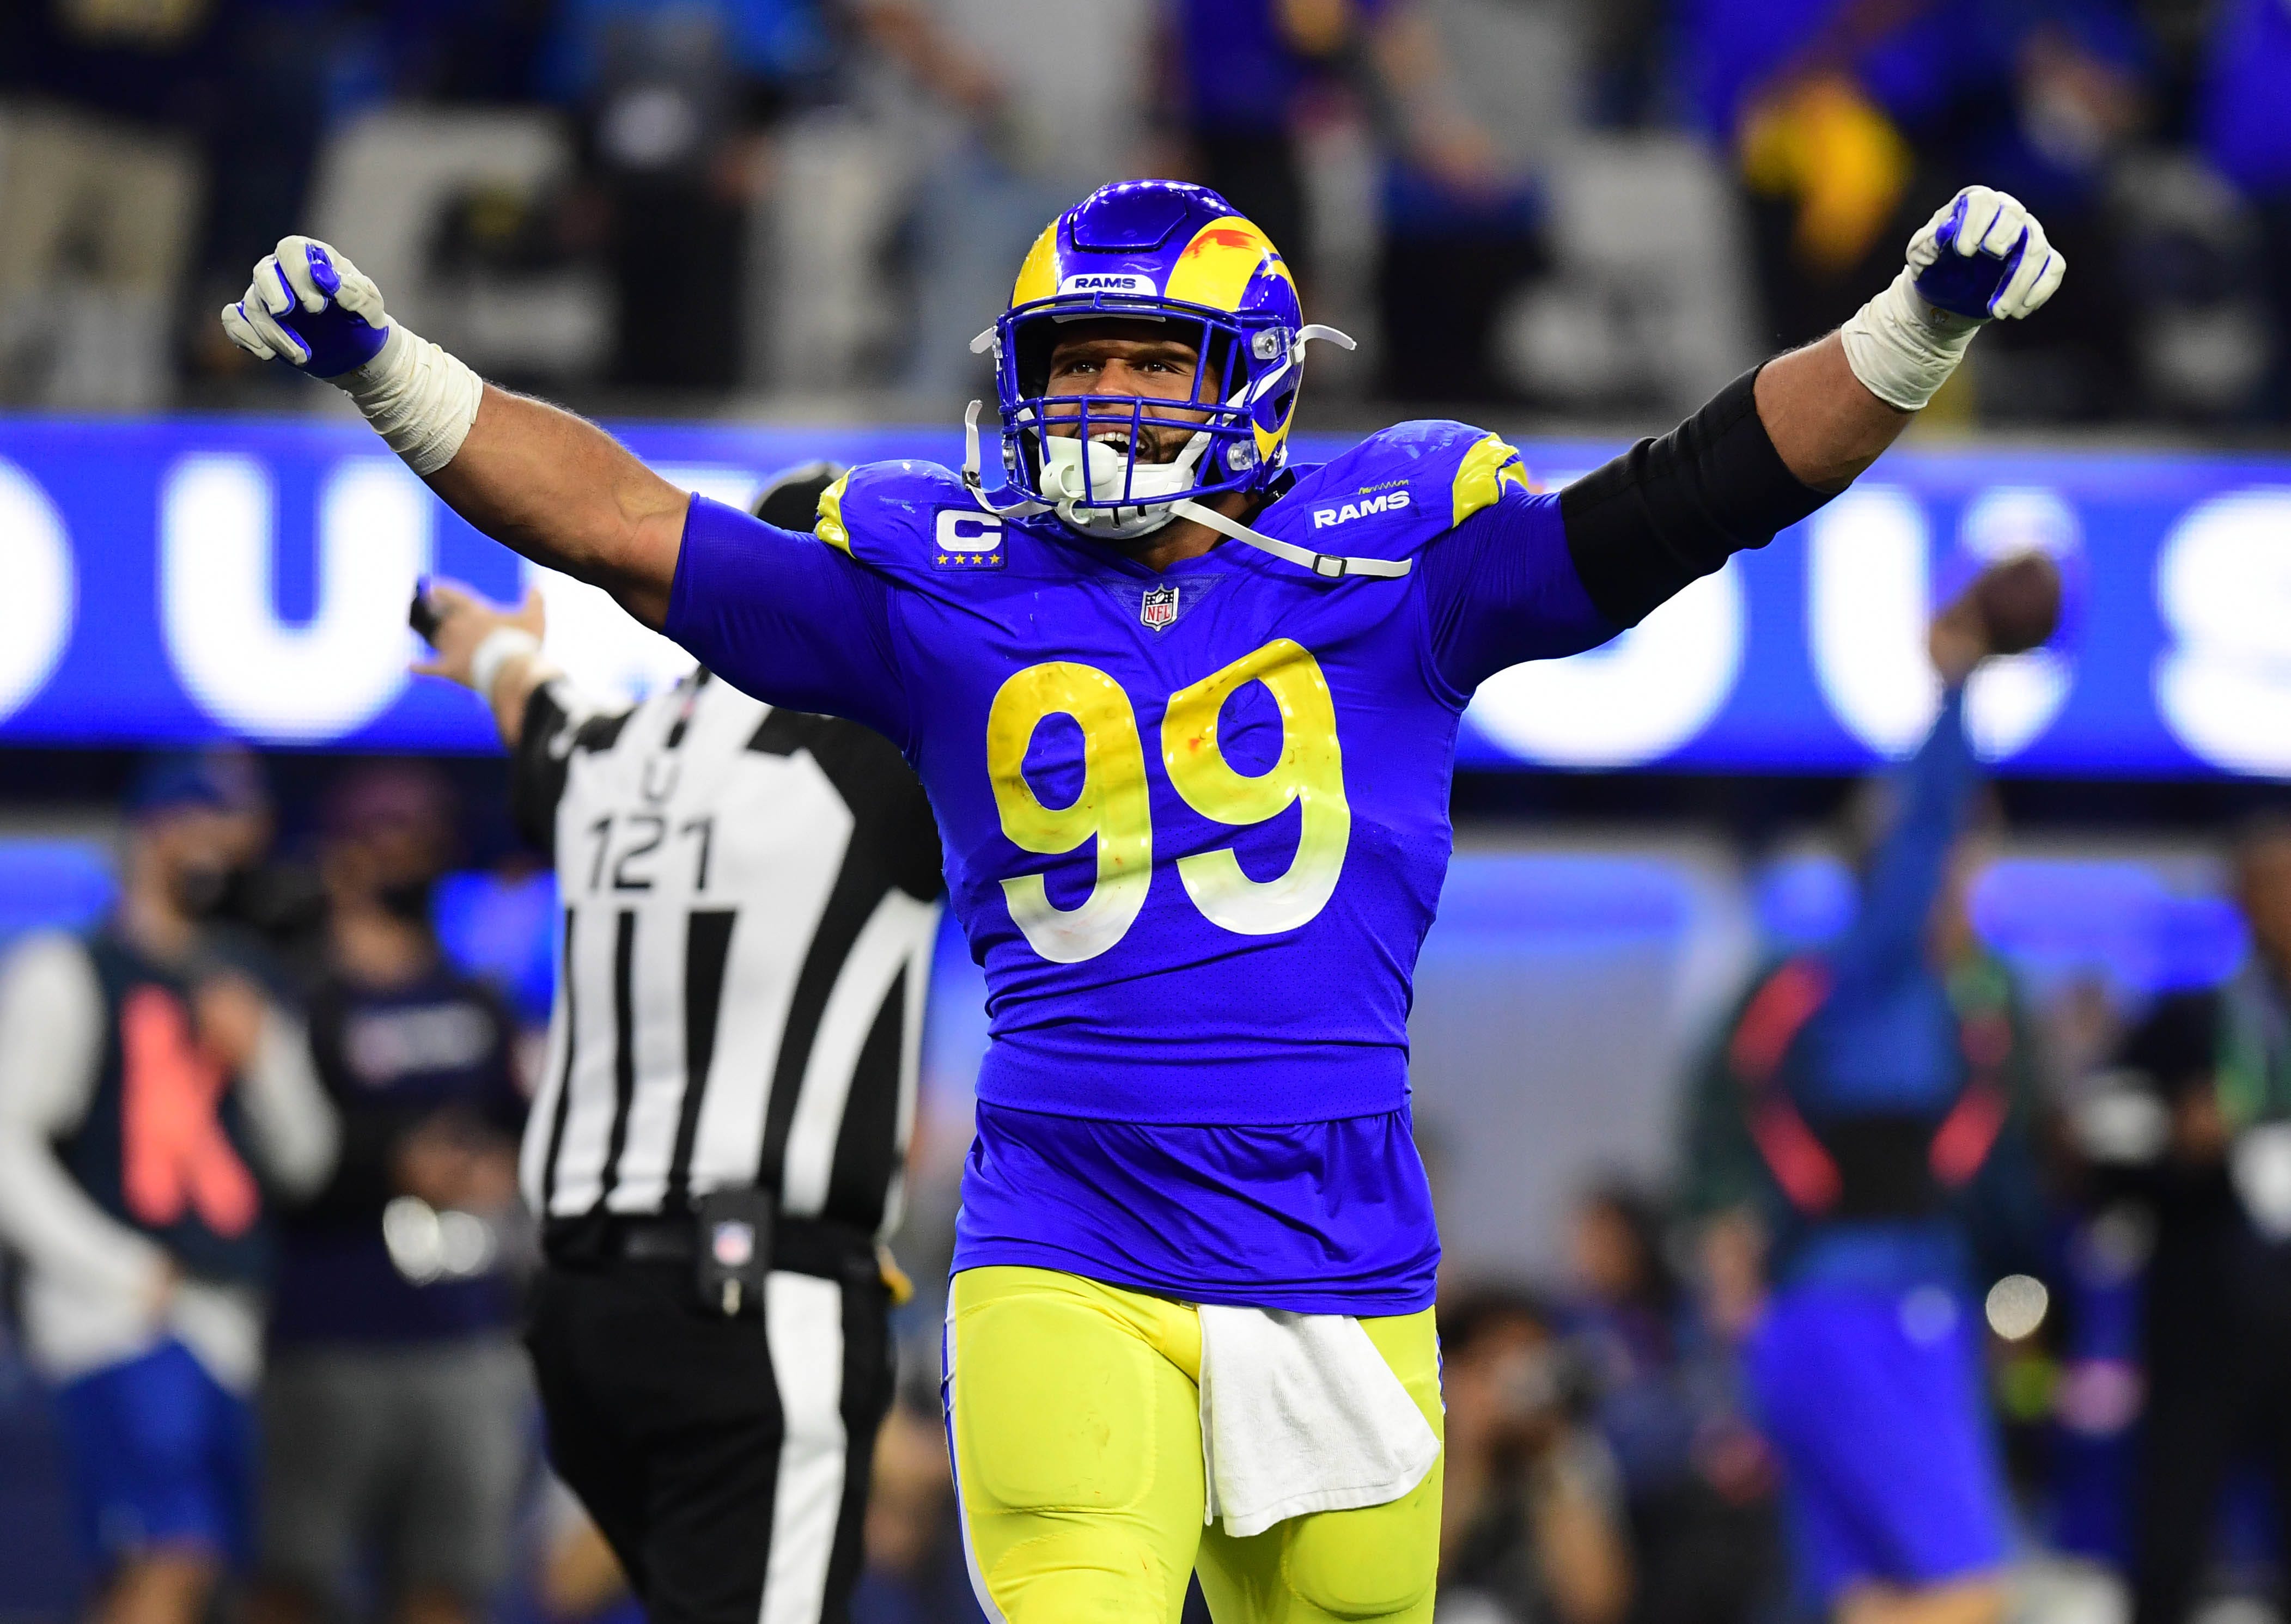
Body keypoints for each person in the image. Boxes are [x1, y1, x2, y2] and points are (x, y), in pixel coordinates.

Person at [220, 168, 2065, 1622]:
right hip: (1064, 1235)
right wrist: (395, 367)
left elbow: (1689, 497)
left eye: (1144, 359)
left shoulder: (1395, 558)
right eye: (1070, 361)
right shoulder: (933, 584)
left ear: (1251, 375)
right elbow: (621, 526)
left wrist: (1910, 328)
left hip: (1341, 1255)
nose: (1097, 395)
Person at [403, 461, 945, 1624]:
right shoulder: (886, 758)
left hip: (583, 1319)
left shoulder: (618, 752)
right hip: (759, 1306)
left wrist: (496, 649)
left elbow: (541, 716)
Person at [1678, 561, 2061, 1624]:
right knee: (1970, 1594)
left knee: (1867, 1603)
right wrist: (1958, 684)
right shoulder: (1879, 967)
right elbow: (1926, 826)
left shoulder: (1879, 992)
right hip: (1881, 1316)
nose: (1976, 872)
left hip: (1811, 1323)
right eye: (1967, 854)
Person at [0, 753, 338, 1624]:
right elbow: (7, 1146)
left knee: (183, 1565)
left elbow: (306, 1157)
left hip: (229, 1312)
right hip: (123, 1317)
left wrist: (257, 1051)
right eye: (198, 822)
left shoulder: (245, 976)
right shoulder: (69, 969)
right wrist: (115, 1268)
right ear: (149, 831)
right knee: (173, 1552)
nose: (214, 849)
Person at [252, 764, 529, 1624]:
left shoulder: (477, 998)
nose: (404, 857)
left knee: (448, 1580)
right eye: (384, 837)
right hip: (332, 1326)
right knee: (299, 1579)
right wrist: (391, 1167)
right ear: (339, 856)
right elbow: (280, 1155)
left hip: (463, 1327)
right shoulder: (296, 998)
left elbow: (526, 1124)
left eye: (422, 840)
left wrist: (495, 1168)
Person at [2086, 815, 2291, 1624]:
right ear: (2236, 900)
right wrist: (2178, 1135)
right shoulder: (2185, 1022)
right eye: (2268, 884)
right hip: (2201, 1318)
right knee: (2169, 1544)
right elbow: (2099, 1134)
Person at [1436, 1287, 1634, 1624]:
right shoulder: (1417, 1452)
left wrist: (1548, 1460)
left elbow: (1598, 1605)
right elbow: (1403, 1579)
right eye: (1493, 1366)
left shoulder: (1571, 1454)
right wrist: (1473, 1458)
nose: (1515, 1387)